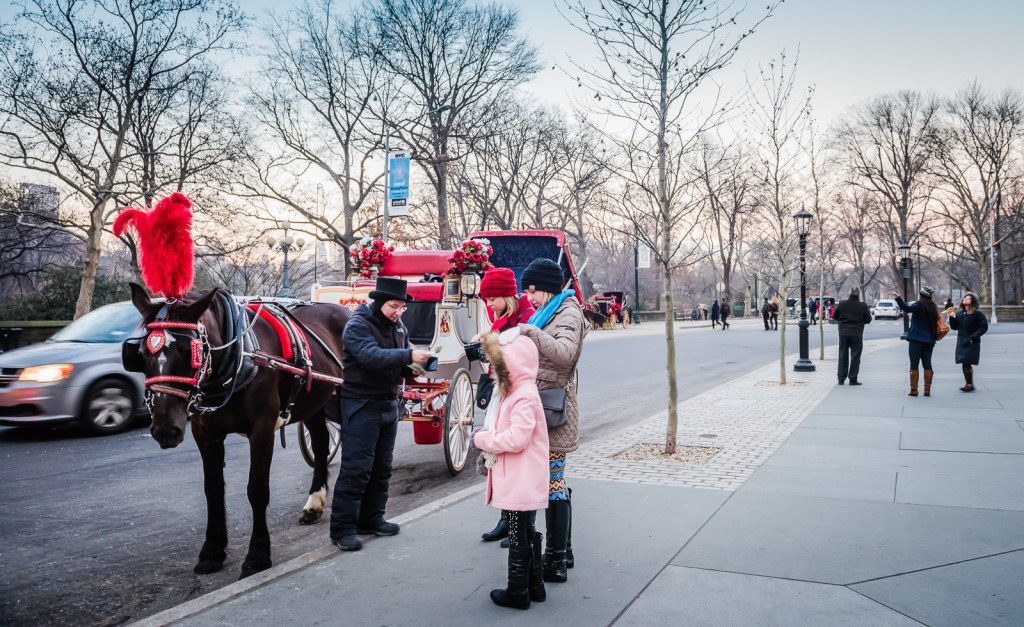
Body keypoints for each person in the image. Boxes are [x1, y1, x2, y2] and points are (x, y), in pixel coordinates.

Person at [330, 277, 431, 551]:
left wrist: (417, 369)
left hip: (387, 404)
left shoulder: (398, 326)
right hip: (361, 404)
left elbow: (398, 363)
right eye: (393, 306)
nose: (398, 312)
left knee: (381, 468)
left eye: (402, 307)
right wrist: (408, 356)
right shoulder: (358, 325)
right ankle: (343, 529)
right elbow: (371, 356)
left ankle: (372, 519)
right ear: (378, 303)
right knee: (356, 468)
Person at [518, 258, 587, 584]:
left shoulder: (568, 312)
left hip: (553, 411)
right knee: (553, 483)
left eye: (532, 290)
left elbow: (564, 353)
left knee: (553, 484)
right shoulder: (550, 311)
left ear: (546, 286)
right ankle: (564, 552)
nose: (529, 297)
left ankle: (555, 562)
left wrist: (530, 333)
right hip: (543, 407)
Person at [473, 330, 549, 610]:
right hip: (522, 477)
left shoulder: (522, 395)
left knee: (518, 533)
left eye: (498, 363)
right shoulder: (519, 391)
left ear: (512, 364)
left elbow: (517, 439)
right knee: (526, 531)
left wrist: (481, 438)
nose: (493, 368)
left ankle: (517, 592)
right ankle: (535, 585)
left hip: (520, 477)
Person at [476, 267, 536, 543]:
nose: (488, 304)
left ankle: (519, 527)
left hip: (518, 394)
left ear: (505, 295)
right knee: (502, 466)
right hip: (505, 391)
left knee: (517, 469)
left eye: (491, 299)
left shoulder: (525, 318)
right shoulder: (503, 316)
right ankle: (505, 519)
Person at [891, 286, 940, 397]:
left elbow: (906, 308)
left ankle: (914, 389)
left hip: (916, 340)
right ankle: (927, 390)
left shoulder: (918, 305)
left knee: (914, 364)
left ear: (921, 295)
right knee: (927, 364)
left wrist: (898, 297)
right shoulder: (933, 307)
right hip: (929, 340)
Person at [947, 292, 988, 392]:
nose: (965, 299)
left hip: (971, 342)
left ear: (973, 301)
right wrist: (952, 317)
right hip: (961, 341)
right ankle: (969, 384)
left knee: (966, 362)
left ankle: (969, 384)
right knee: (964, 362)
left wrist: (973, 337)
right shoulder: (960, 314)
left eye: (968, 298)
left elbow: (984, 327)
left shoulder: (978, 314)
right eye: (964, 298)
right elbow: (954, 327)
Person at [832, 287, 872, 386]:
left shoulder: (842, 304)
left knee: (842, 355)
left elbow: (835, 317)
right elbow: (868, 319)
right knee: (855, 356)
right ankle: (853, 378)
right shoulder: (863, 306)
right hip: (857, 333)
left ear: (849, 294)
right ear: (858, 295)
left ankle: (841, 378)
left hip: (843, 333)